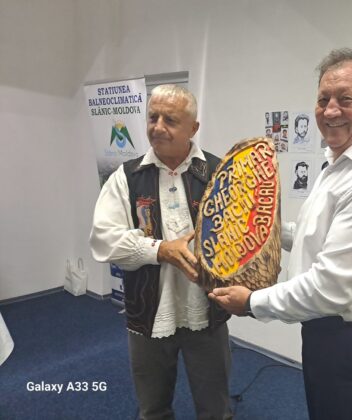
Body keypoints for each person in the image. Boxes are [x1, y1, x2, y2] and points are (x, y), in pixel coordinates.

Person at [209, 48, 352, 420]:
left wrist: (251, 302)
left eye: (345, 99)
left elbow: (329, 287)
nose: (331, 111)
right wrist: (261, 229)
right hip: (326, 332)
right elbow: (317, 236)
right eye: (323, 100)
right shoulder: (338, 166)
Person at [90, 84, 232, 420]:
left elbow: (240, 234)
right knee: (153, 410)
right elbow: (103, 240)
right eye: (153, 117)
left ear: (193, 128)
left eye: (170, 120)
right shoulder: (126, 177)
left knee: (216, 409)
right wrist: (159, 250)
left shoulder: (219, 172)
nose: (157, 127)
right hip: (148, 313)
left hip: (206, 313)